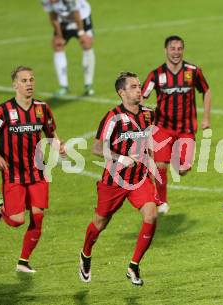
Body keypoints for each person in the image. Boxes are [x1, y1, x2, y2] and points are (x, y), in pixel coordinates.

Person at [0, 66, 65, 273]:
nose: (29, 84)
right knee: (17, 220)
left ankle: (23, 262)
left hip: (37, 171)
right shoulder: (5, 110)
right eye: (24, 80)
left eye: (31, 80)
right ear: (15, 85)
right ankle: (2, 209)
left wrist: (59, 146)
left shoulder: (42, 108)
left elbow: (51, 133)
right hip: (13, 172)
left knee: (37, 216)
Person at [79, 72, 159, 286]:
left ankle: (133, 266)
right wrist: (121, 158)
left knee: (151, 215)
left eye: (139, 86)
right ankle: (86, 254)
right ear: (121, 92)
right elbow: (96, 147)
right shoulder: (113, 117)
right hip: (114, 181)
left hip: (139, 179)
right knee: (100, 222)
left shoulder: (149, 115)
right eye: (133, 87)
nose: (139, 90)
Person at [141, 35, 211, 214]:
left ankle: (174, 155)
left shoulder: (193, 71)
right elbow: (142, 97)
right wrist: (141, 119)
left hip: (186, 129)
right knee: (160, 166)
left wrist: (206, 118)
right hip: (163, 128)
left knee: (182, 169)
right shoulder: (156, 75)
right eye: (173, 48)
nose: (176, 52)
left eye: (179, 49)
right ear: (166, 50)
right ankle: (162, 201)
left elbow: (207, 91)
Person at [42, 0, 95, 96]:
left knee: (86, 44)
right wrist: (58, 34)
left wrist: (81, 33)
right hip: (64, 19)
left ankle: (88, 85)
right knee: (57, 45)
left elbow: (76, 13)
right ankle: (64, 87)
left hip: (82, 17)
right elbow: (52, 15)